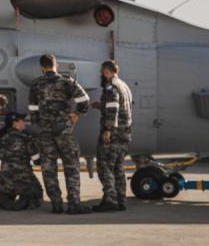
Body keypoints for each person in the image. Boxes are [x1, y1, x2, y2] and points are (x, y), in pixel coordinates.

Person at [28, 54, 91, 214]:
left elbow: (33, 110)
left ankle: (56, 204)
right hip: (64, 131)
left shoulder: (35, 85)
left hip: (45, 133)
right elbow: (84, 100)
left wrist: (40, 125)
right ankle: (74, 204)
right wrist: (77, 114)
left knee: (48, 168)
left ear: (42, 67)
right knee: (71, 166)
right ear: (56, 66)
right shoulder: (66, 82)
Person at [92, 60, 133, 212]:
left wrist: (108, 129)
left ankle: (110, 200)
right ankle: (121, 200)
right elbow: (119, 107)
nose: (101, 74)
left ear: (107, 71)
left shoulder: (111, 87)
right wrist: (101, 105)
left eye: (102, 71)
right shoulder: (124, 86)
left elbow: (114, 108)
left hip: (113, 135)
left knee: (105, 167)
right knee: (118, 168)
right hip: (124, 134)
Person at [0, 112, 43, 211]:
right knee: (37, 193)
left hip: (5, 181)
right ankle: (24, 200)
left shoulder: (1, 137)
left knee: (7, 191)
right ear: (15, 123)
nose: (24, 123)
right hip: (24, 180)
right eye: (22, 121)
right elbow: (37, 161)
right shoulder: (27, 138)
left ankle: (5, 199)